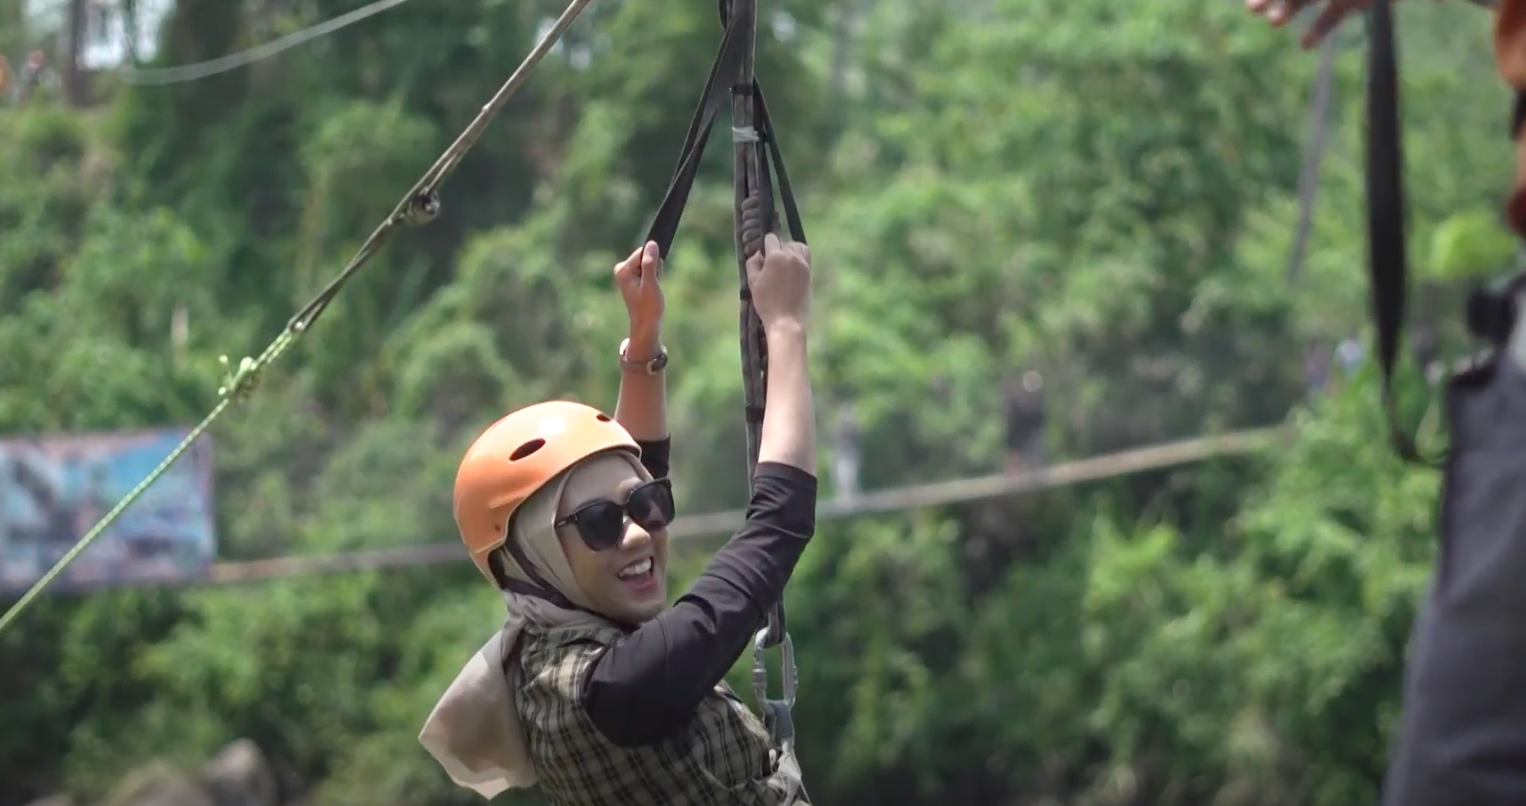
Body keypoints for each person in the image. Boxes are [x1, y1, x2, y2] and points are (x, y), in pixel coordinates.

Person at [420, 232, 818, 806]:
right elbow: (779, 522)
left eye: (646, 505)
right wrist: (785, 328)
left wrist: (643, 342)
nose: (638, 532)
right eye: (600, 523)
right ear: (537, 560)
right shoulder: (619, 689)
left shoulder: (551, 649)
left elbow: (636, 465)